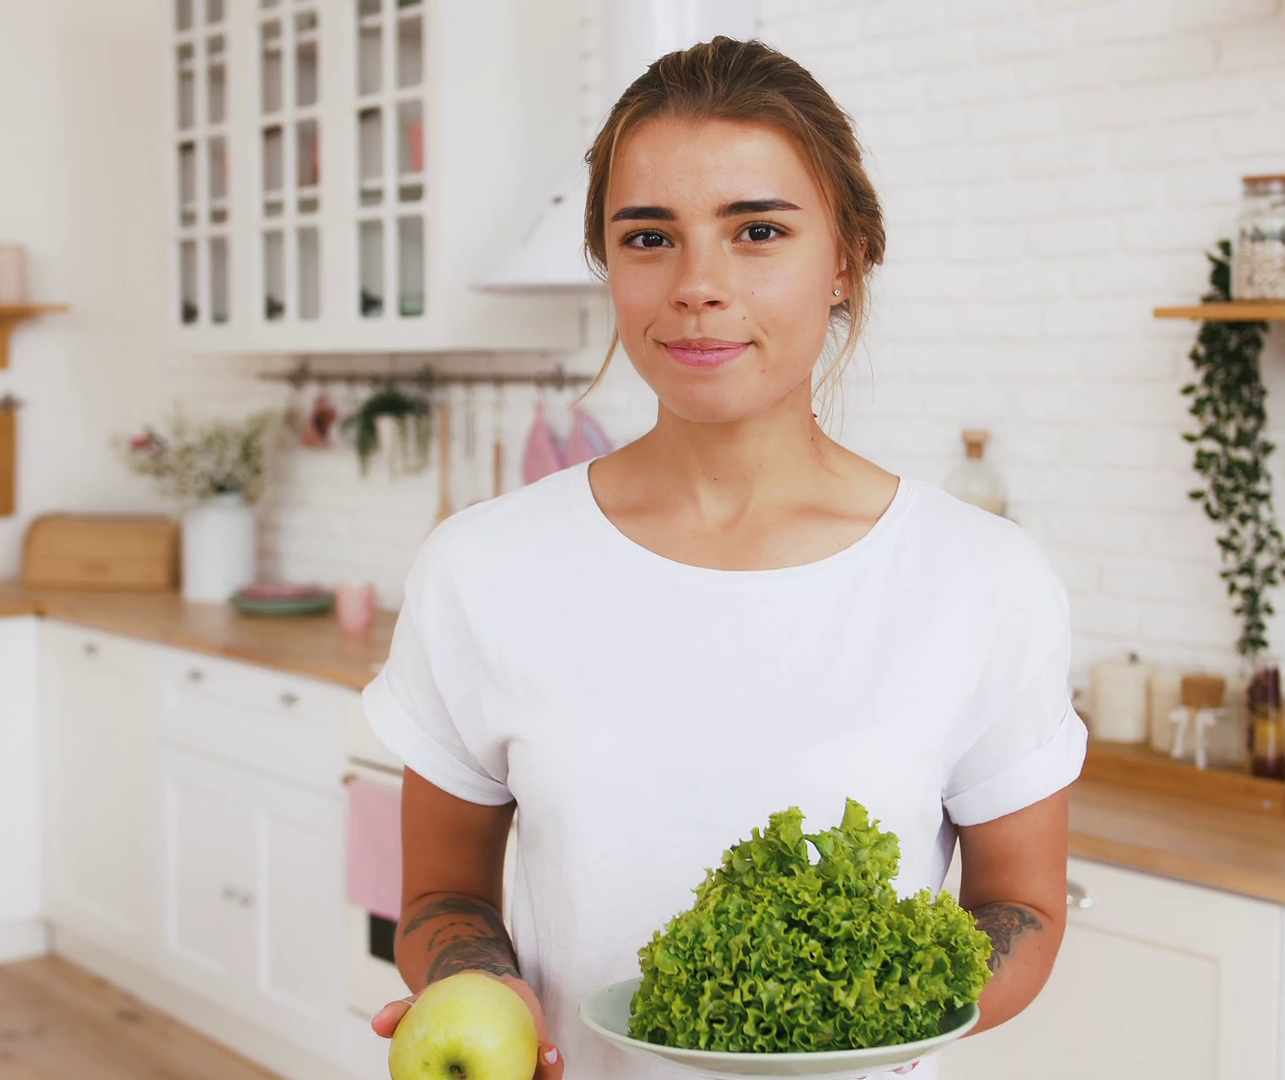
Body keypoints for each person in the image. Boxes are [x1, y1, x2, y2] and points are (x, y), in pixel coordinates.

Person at [366, 36, 1085, 1080]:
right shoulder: (479, 571)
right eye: (649, 236)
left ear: (847, 256)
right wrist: (476, 985)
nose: (698, 285)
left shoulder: (982, 582)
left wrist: (836, 1028)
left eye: (757, 230)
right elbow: (440, 901)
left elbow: (1019, 907)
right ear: (609, 264)